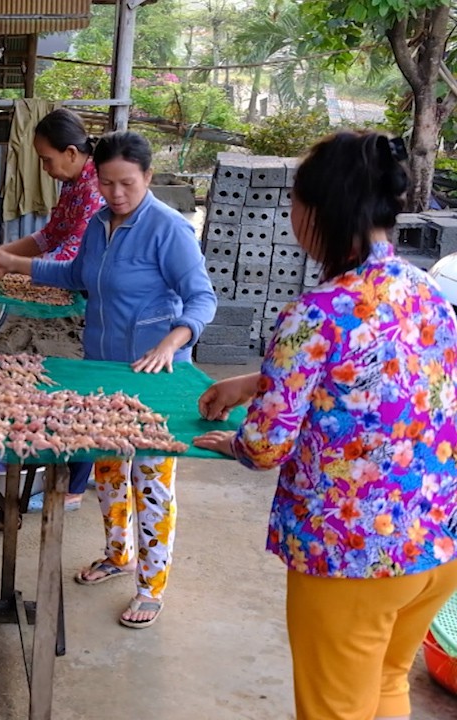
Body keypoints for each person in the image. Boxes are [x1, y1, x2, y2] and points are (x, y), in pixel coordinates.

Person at [194, 131, 457, 720]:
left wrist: (240, 440)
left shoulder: (315, 313)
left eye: (295, 201)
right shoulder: (428, 293)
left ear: (319, 211)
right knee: (387, 684)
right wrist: (257, 383)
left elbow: (265, 447)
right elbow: (384, 382)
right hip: (436, 542)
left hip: (352, 553)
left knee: (336, 709)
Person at [0, 130, 217, 628]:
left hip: (153, 375)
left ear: (148, 177)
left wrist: (172, 342)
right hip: (102, 368)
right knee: (108, 470)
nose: (116, 195)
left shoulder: (169, 230)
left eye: (127, 183)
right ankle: (117, 553)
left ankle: (151, 588)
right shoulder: (100, 224)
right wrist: (11, 262)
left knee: (150, 479)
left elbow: (201, 298)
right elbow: (74, 277)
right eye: (106, 184)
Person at [0, 108, 106, 512]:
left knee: (93, 393)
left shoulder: (95, 188)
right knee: (91, 392)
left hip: (99, 305)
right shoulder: (72, 184)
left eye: (47, 159)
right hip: (93, 309)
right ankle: (80, 476)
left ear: (71, 152)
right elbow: (50, 236)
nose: (44, 168)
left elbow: (71, 261)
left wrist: (10, 265)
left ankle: (74, 487)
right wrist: (0, 252)